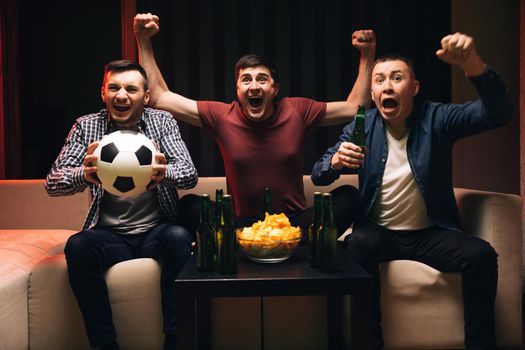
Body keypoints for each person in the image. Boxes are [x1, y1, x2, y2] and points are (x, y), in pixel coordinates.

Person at [311, 32, 514, 349]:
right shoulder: (363, 125)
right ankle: (369, 343)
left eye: (396, 78)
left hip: (430, 233)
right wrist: (335, 161)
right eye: (379, 80)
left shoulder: (438, 118)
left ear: (414, 88)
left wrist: (473, 64)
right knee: (357, 245)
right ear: (373, 91)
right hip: (378, 232)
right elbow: (319, 174)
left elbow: (498, 113)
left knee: (481, 255)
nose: (386, 86)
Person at [133, 13, 376, 236]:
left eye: (262, 79)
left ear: (274, 88)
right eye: (246, 80)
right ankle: (257, 241)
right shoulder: (221, 116)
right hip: (241, 224)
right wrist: (143, 40)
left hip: (293, 222)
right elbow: (158, 97)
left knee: (349, 198)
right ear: (237, 89)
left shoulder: (297, 110)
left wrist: (367, 54)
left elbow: (355, 106)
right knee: (189, 207)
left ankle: (284, 240)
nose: (254, 86)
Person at [45, 60, 198, 350]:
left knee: (179, 236)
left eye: (131, 88)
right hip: (109, 235)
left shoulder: (162, 122)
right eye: (113, 87)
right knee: (78, 246)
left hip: (156, 229)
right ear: (103, 93)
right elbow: (53, 182)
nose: (121, 95)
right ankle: (105, 344)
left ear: (146, 96)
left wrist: (162, 173)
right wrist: (85, 174)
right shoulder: (86, 126)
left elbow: (189, 174)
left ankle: (176, 340)